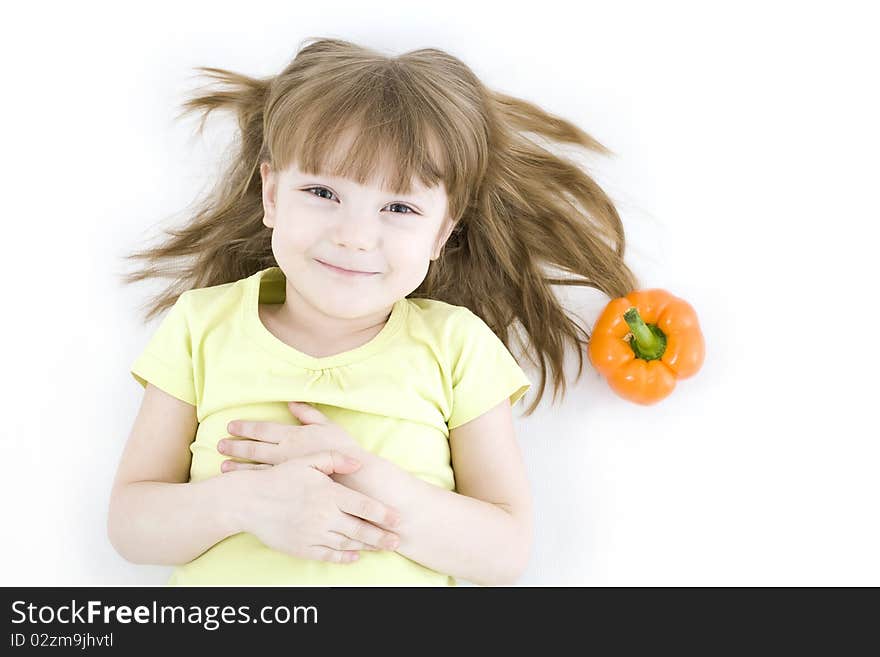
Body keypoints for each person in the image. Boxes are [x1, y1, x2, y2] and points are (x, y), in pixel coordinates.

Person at [107, 37, 640, 586]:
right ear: (271, 195)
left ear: (443, 230)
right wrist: (245, 503)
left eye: (399, 207)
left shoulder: (456, 345)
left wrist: (363, 476)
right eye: (321, 192)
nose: (356, 236)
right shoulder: (201, 324)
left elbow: (504, 555)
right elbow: (130, 525)